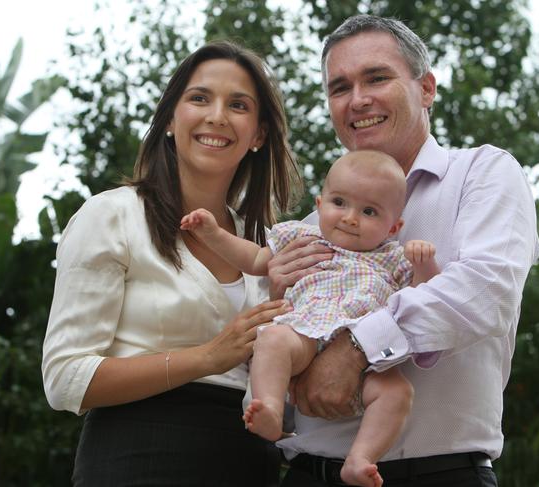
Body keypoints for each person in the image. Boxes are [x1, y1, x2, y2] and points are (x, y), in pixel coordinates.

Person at [269, 15, 539, 487]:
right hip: (306, 473)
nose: (358, 100)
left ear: (427, 88)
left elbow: (486, 290)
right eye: (339, 87)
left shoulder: (482, 173)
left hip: (441, 474)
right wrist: (277, 303)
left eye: (376, 77)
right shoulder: (313, 228)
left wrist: (357, 347)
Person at [41, 41, 307, 486]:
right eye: (199, 98)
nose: (217, 116)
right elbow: (66, 379)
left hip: (249, 464)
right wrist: (207, 357)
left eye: (238, 105)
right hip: (137, 458)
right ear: (169, 119)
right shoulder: (112, 215)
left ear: (259, 135)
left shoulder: (268, 246)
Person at [181, 149, 439, 487]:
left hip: (359, 355)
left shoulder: (392, 258)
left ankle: (360, 458)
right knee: (272, 338)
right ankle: (270, 408)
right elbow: (255, 259)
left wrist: (424, 264)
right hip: (303, 334)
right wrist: (213, 234)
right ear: (319, 205)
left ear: (394, 226)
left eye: (369, 211)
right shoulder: (301, 237)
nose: (350, 218)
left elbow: (424, 295)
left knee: (397, 393)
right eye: (339, 203)